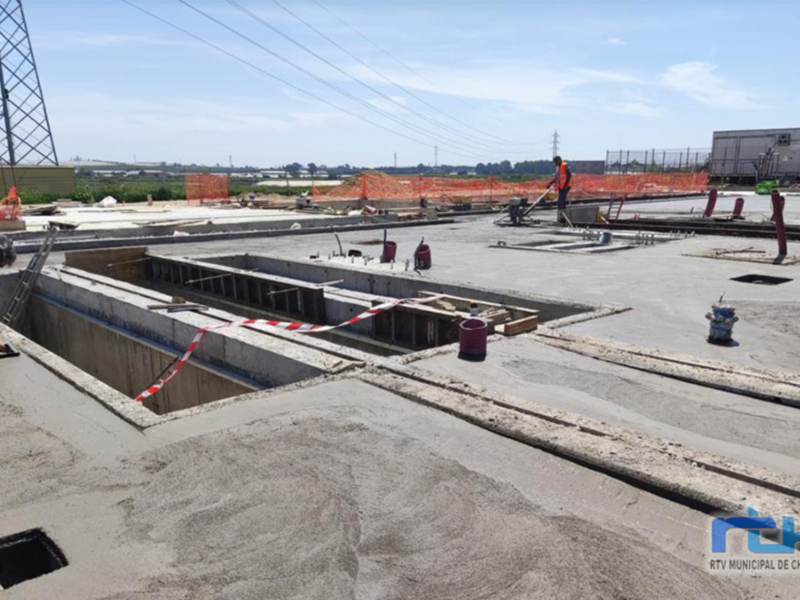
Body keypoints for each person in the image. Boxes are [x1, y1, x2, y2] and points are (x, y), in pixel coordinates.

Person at [546, 156, 572, 224]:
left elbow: (569, 175)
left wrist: (566, 185)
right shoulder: (558, 168)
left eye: (555, 162)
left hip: (566, 186)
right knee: (561, 201)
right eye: (554, 162)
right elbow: (557, 178)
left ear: (559, 160)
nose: (555, 163)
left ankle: (563, 218)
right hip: (561, 186)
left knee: (561, 200)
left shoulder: (564, 165)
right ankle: (561, 217)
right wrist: (550, 183)